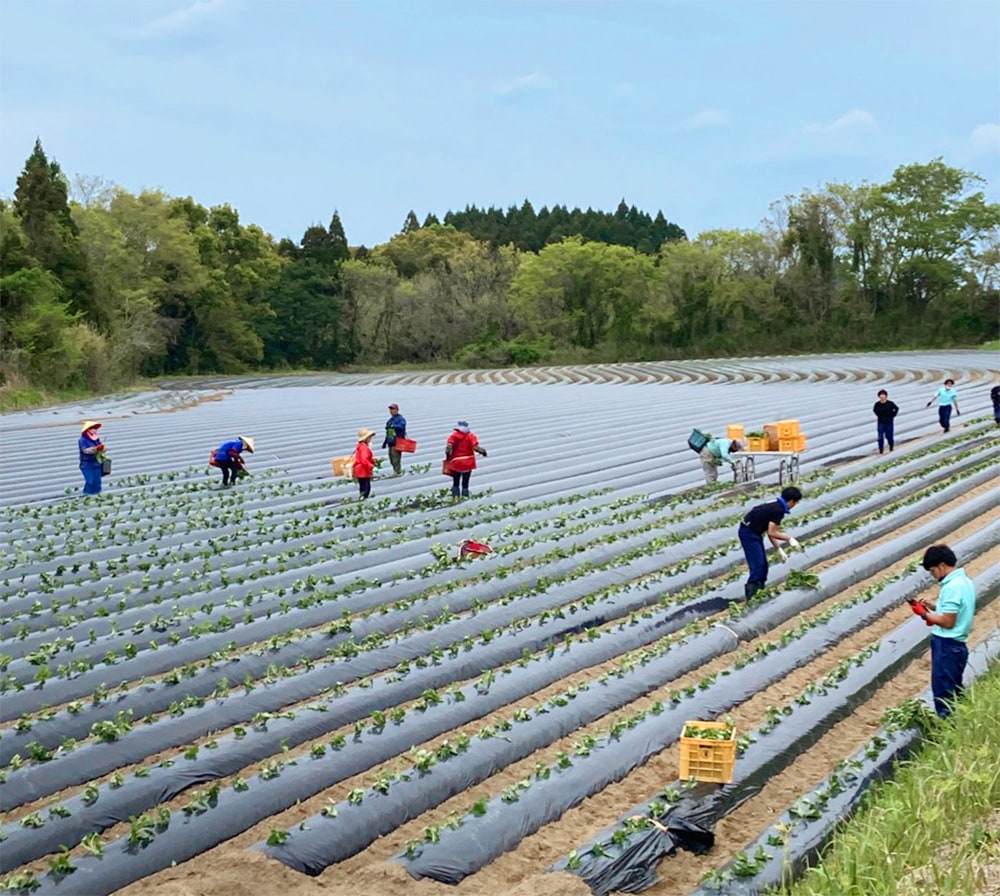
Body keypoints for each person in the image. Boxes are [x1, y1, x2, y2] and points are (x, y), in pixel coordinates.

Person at [912, 544, 976, 718]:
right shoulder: (964, 582)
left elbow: (947, 622)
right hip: (957, 646)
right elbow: (955, 610)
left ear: (941, 565)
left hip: (947, 646)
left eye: (933, 571)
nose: (933, 575)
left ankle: (949, 726)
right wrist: (933, 606)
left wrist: (923, 614)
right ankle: (962, 723)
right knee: (954, 689)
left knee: (944, 694)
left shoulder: (951, 587)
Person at [737, 486, 802, 599]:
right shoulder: (778, 510)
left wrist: (779, 549)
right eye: (795, 503)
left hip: (754, 532)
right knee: (758, 565)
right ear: (791, 501)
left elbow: (769, 531)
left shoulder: (776, 505)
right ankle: (752, 596)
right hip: (749, 533)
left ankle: (759, 592)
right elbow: (772, 532)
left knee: (763, 565)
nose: (794, 505)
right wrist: (789, 539)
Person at [445, 421, 487, 498]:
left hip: (457, 461)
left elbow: (449, 448)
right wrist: (483, 452)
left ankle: (455, 495)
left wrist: (448, 457)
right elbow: (476, 447)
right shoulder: (471, 436)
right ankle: (465, 495)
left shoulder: (454, 436)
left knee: (456, 480)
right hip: (468, 462)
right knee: (465, 481)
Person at [78, 420, 105, 496]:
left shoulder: (96, 439)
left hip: (96, 463)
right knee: (90, 482)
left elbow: (102, 449)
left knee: (97, 482)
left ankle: (97, 496)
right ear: (88, 430)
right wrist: (96, 449)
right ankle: (87, 496)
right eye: (93, 428)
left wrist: (102, 448)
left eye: (96, 428)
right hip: (86, 464)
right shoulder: (82, 440)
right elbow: (85, 451)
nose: (95, 430)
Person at [382, 403, 407, 476]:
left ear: (397, 410)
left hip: (397, 442)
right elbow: (388, 432)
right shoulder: (390, 421)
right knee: (391, 459)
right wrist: (385, 442)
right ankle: (396, 471)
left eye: (393, 409)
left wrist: (394, 426)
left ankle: (397, 472)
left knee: (396, 458)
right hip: (391, 442)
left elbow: (402, 427)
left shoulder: (401, 419)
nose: (391, 411)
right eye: (390, 409)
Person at [872, 389, 899, 454]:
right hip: (881, 423)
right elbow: (875, 410)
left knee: (889, 436)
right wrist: (879, 415)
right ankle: (881, 450)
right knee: (880, 437)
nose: (882, 397)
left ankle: (891, 447)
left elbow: (896, 408)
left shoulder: (890, 403)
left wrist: (892, 415)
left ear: (886, 396)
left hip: (889, 422)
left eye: (883, 395)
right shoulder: (877, 404)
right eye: (881, 395)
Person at [353, 428, 376, 500]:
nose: (370, 439)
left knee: (363, 486)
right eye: (369, 437)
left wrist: (372, 460)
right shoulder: (364, 448)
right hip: (363, 470)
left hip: (360, 470)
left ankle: (362, 497)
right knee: (366, 487)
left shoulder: (360, 445)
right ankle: (363, 499)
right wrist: (371, 466)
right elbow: (364, 460)